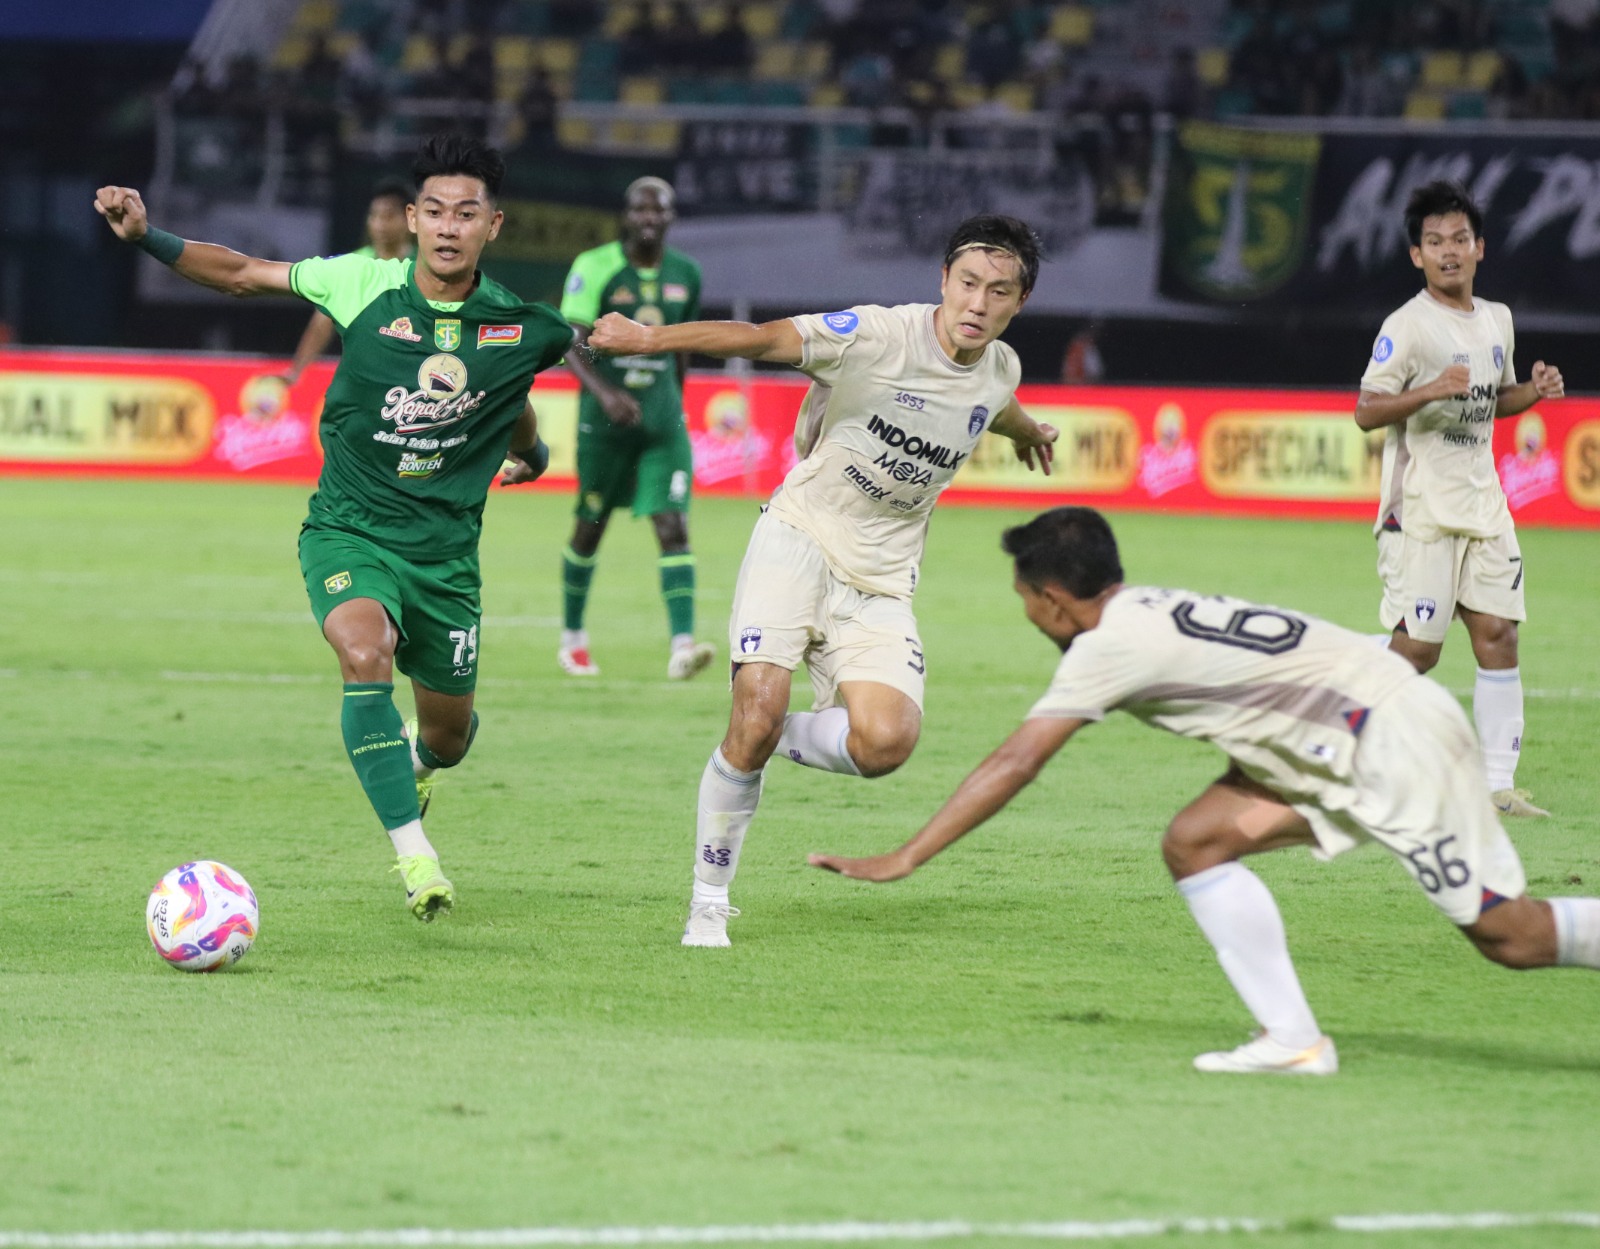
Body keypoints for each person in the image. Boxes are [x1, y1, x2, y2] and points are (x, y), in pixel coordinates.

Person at [810, 507, 1600, 1074]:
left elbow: (1016, 762)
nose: (1027, 614)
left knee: (1512, 938)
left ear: (1052, 597)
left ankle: (1293, 1037)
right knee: (1198, 838)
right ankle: (1292, 1039)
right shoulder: (1152, 605)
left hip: (1395, 747)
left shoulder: (1104, 648)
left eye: (1026, 600)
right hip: (1357, 724)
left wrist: (906, 855)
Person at [95, 134, 576, 921]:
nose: (448, 226)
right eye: (434, 211)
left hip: (446, 555)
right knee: (364, 649)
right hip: (348, 530)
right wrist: (149, 235)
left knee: (450, 736)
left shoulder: (525, 326)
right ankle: (416, 859)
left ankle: (420, 763)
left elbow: (509, 394)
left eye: (467, 212)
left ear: (494, 225)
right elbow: (246, 274)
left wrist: (533, 451)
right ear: (413, 221)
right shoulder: (360, 282)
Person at [589, 214, 1060, 948]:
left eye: (997, 292)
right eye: (967, 283)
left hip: (881, 578)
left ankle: (769, 735)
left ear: (1017, 302)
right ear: (943, 280)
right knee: (753, 714)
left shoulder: (1001, 367)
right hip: (798, 538)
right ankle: (709, 900)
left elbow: (995, 405)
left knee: (886, 744)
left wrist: (1030, 433)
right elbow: (760, 338)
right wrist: (651, 338)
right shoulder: (875, 335)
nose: (977, 302)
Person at [1354, 179, 1565, 818]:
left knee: (1498, 633)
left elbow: (1492, 401)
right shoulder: (1408, 327)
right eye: (1435, 241)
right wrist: (1426, 391)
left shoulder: (1497, 318)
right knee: (1419, 648)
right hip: (1418, 508)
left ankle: (1499, 787)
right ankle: (1350, 724)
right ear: (1417, 255)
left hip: (1483, 502)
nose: (1449, 251)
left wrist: (1532, 390)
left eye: (1459, 239)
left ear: (1480, 248)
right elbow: (1366, 411)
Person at [509, 177, 714, 680]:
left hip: (662, 424)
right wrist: (606, 394)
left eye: (659, 210)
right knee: (590, 527)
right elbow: (570, 340)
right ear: (627, 215)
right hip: (603, 423)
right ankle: (573, 639)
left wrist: (677, 401)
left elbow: (681, 344)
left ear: (670, 218)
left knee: (673, 525)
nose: (650, 217)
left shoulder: (687, 273)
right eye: (641, 209)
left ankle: (683, 646)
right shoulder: (595, 266)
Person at [281, 178, 414, 387]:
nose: (379, 224)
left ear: (410, 219)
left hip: (415, 376)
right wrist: (297, 370)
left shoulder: (426, 266)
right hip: (366, 380)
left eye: (388, 216)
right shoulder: (354, 265)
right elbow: (321, 323)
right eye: (374, 216)